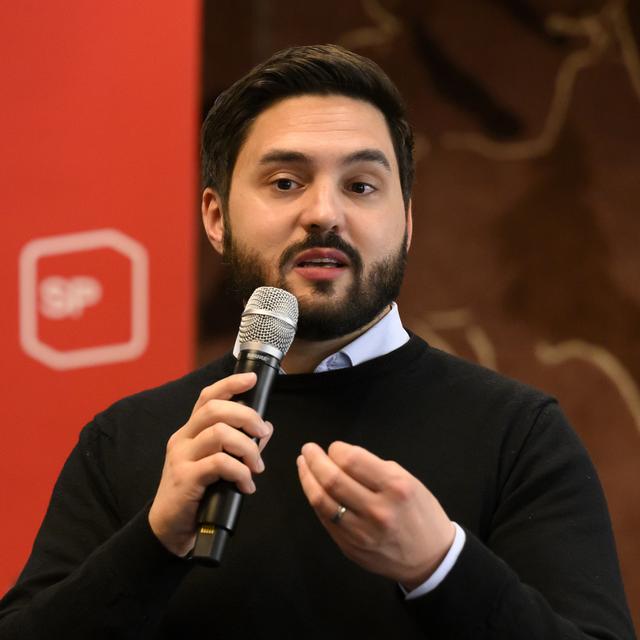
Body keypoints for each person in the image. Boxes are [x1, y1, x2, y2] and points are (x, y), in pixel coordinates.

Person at [0, 44, 635, 639]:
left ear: (407, 221)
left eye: (361, 186)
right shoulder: (130, 440)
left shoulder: (517, 434)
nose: (323, 213)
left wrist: (442, 567)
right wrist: (153, 542)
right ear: (216, 218)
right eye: (285, 182)